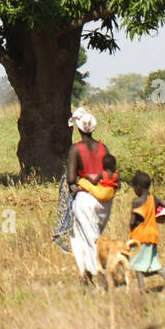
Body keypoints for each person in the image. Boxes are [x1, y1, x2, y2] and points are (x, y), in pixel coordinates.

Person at [63, 107, 114, 287]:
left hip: (85, 198)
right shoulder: (103, 147)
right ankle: (87, 274)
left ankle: (98, 273)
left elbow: (70, 178)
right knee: (91, 235)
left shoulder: (76, 149)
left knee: (88, 238)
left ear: (78, 128)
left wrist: (78, 182)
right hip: (105, 199)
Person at [128, 171, 165, 291]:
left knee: (137, 266)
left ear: (138, 187)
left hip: (140, 237)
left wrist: (131, 228)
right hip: (152, 235)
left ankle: (142, 290)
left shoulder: (137, 201)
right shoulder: (154, 199)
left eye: (134, 188)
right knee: (152, 263)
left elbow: (132, 221)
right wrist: (164, 217)